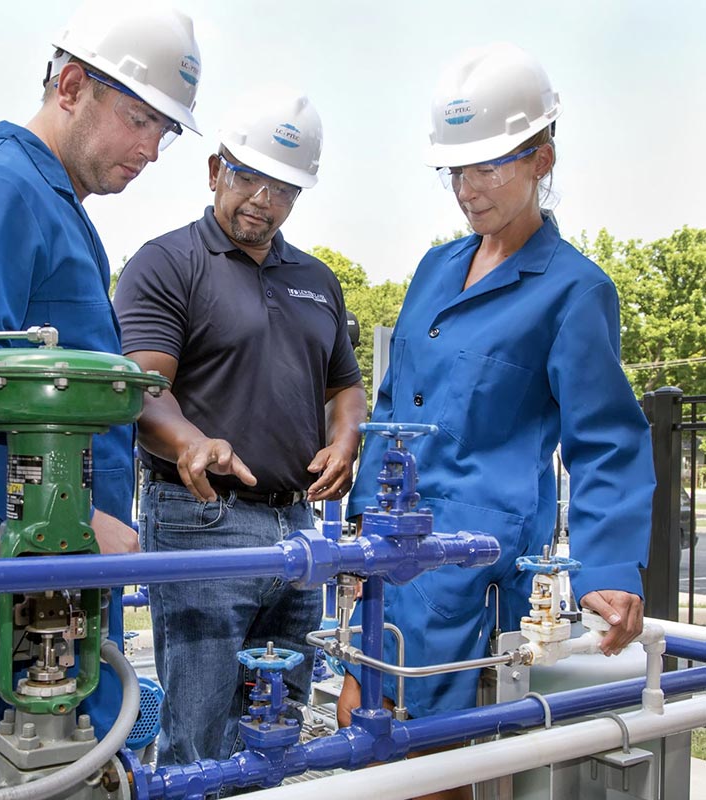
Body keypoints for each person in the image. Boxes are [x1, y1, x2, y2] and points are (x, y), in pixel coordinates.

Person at [0, 1, 202, 785]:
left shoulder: (56, 206)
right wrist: (79, 521)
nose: (153, 150)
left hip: (47, 595)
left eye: (166, 132)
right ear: (71, 85)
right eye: (141, 120)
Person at [337, 43, 654, 800]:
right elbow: (390, 406)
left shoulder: (575, 289)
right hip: (388, 553)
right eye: (456, 170)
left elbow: (605, 438)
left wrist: (609, 572)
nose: (467, 190)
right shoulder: (433, 269)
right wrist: (357, 526)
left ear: (543, 156)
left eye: (488, 167)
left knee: (435, 759)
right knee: (357, 725)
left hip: (474, 569)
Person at [113, 90, 368, 765]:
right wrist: (191, 441)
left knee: (275, 729)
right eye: (246, 175)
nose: (262, 197)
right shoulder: (167, 263)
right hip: (202, 516)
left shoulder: (317, 280)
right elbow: (144, 389)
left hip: (297, 526)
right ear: (212, 169)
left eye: (282, 186)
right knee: (199, 734)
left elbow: (345, 385)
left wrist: (347, 436)